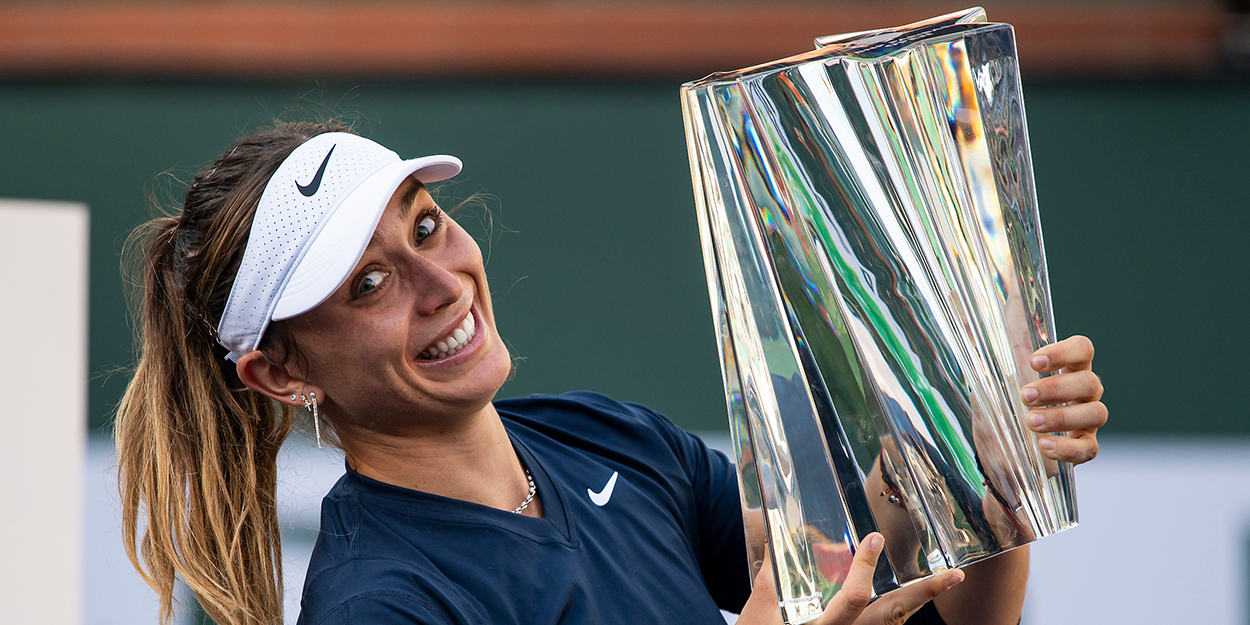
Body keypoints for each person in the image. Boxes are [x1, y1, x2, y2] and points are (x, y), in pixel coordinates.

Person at [116, 121, 1108, 625]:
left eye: (425, 226)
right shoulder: (381, 601)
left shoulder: (608, 438)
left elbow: (891, 580)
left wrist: (981, 482)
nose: (440, 280)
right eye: (369, 281)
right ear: (279, 373)